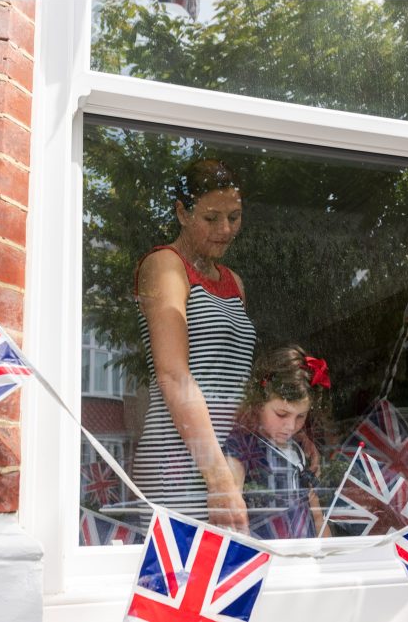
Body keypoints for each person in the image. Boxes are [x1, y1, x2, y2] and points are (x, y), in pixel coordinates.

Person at [131, 158, 256, 532]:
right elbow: (172, 374)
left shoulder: (234, 281)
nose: (225, 229)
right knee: (184, 577)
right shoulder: (165, 265)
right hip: (178, 461)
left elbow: (235, 384)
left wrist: (235, 461)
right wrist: (217, 479)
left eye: (234, 217)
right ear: (183, 213)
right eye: (211, 217)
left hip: (225, 463)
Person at [223, 345, 332, 538]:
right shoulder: (243, 447)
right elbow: (231, 514)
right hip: (267, 557)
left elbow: (316, 515)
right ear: (258, 403)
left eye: (301, 416)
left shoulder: (299, 450)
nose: (290, 426)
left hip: (305, 557)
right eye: (282, 414)